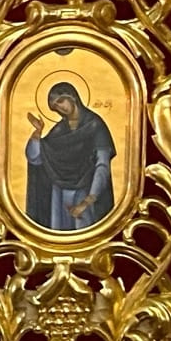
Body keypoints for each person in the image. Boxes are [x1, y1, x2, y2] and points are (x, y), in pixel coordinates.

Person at [24, 79, 115, 230]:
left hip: (86, 192)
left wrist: (88, 201)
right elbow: (37, 159)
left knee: (85, 232)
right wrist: (37, 133)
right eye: (55, 106)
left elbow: (102, 165)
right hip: (59, 194)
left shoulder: (95, 125)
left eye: (61, 101)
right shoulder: (60, 130)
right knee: (59, 234)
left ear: (73, 97)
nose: (60, 108)